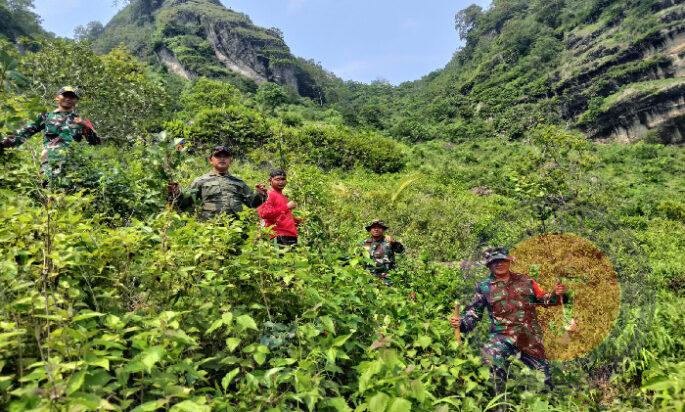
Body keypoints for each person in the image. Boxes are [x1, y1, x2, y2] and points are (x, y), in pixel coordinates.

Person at [449, 247, 570, 390]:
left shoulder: (526, 281)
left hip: (528, 335)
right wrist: (461, 323)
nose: (499, 264)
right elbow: (474, 314)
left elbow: (545, 299)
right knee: (489, 362)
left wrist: (556, 294)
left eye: (502, 260)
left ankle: (547, 402)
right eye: (494, 262)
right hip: (501, 336)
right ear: (489, 265)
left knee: (543, 378)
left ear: (509, 261)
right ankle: (497, 403)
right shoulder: (484, 287)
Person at [0, 86, 100, 179]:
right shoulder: (46, 117)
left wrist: (85, 126)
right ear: (57, 97)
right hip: (50, 162)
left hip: (73, 166)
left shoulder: (81, 121)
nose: (68, 99)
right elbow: (25, 133)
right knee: (48, 190)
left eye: (72, 96)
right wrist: (5, 143)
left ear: (76, 100)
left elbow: (95, 142)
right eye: (65, 95)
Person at [168, 146, 267, 220]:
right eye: (218, 156)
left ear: (230, 161)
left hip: (236, 229)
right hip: (210, 229)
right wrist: (175, 193)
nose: (222, 159)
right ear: (211, 160)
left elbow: (252, 204)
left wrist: (260, 194)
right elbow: (184, 203)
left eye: (225, 156)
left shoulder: (239, 183)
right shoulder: (200, 181)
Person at [257, 169, 301, 246]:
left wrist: (297, 221)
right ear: (270, 180)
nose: (281, 182)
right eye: (277, 179)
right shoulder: (269, 195)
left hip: (290, 235)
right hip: (279, 236)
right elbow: (265, 214)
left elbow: (282, 216)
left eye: (283, 179)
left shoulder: (284, 197)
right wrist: (287, 207)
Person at [361, 220, 405, 285]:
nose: (376, 229)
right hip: (369, 278)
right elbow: (358, 257)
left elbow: (401, 251)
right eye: (373, 227)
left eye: (379, 227)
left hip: (387, 278)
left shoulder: (388, 241)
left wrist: (394, 243)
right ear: (370, 230)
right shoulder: (365, 243)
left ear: (383, 229)